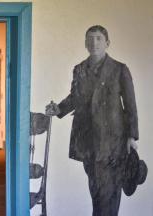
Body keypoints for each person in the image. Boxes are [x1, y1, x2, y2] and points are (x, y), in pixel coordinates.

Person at [46, 25, 139, 216]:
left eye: (98, 38)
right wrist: (59, 109)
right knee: (97, 191)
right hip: (87, 141)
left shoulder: (120, 70)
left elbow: (131, 106)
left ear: (107, 43)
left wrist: (132, 137)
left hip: (113, 142)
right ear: (85, 43)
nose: (93, 42)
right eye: (89, 38)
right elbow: (75, 97)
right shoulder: (79, 69)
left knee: (109, 192)